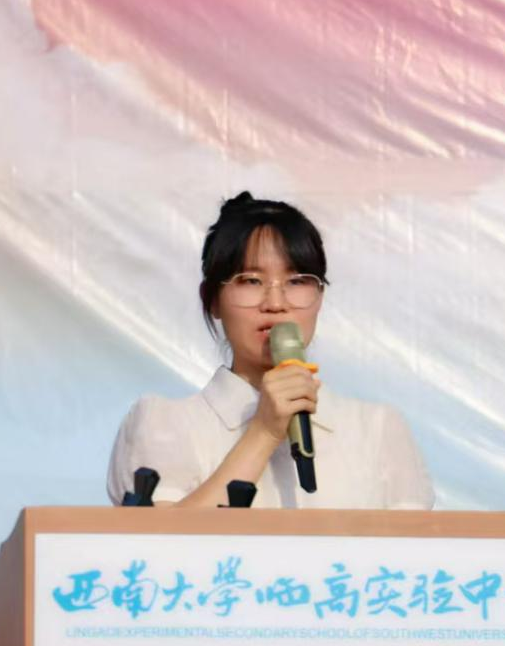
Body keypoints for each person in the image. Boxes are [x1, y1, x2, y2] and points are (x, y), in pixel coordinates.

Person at [106, 192, 434, 509]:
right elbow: (161, 543)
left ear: (319, 297)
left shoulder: (376, 430)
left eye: (297, 281)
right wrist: (264, 431)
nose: (276, 303)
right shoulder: (164, 423)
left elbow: (412, 545)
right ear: (212, 299)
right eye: (251, 281)